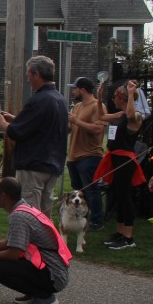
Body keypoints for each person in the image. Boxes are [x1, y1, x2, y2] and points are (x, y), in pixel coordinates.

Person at [0, 177, 71, 304]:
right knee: (5, 264)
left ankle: (44, 297)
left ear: (3, 196)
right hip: (53, 270)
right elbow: (8, 243)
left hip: (54, 276)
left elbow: (12, 254)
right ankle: (34, 293)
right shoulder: (23, 208)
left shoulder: (18, 216)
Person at [0, 55, 68, 218]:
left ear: (36, 74)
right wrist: (16, 120)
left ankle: (30, 235)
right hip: (53, 163)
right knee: (45, 213)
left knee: (30, 212)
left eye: (28, 75)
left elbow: (17, 132)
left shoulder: (38, 100)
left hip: (34, 164)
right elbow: (41, 126)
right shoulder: (60, 99)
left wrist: (2, 123)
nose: (28, 80)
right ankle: (45, 235)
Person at [95, 80, 145, 250]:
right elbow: (101, 117)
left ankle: (128, 237)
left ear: (122, 97)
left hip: (125, 161)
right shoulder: (120, 115)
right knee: (117, 196)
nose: (113, 99)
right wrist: (99, 98)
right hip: (115, 158)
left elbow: (130, 115)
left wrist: (131, 93)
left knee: (125, 197)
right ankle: (120, 232)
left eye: (115, 96)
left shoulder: (135, 116)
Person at [66, 77, 107, 231]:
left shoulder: (97, 106)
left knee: (91, 190)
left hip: (90, 155)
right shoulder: (77, 106)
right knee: (78, 190)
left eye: (75, 89)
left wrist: (77, 122)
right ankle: (82, 217)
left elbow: (98, 129)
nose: (74, 92)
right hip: (73, 156)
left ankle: (96, 221)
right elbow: (71, 127)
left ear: (82, 90)